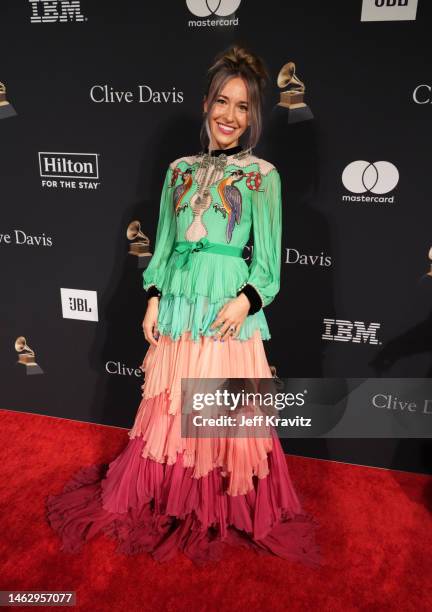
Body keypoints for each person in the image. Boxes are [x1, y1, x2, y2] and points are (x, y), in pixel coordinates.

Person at [46, 45, 320, 567]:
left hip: (225, 309)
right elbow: (165, 247)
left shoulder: (264, 177)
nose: (230, 116)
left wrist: (246, 301)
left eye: (242, 107)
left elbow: (270, 263)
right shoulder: (178, 171)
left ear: (254, 116)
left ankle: (217, 503)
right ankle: (173, 492)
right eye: (222, 102)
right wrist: (152, 300)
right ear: (205, 104)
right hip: (177, 306)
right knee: (172, 408)